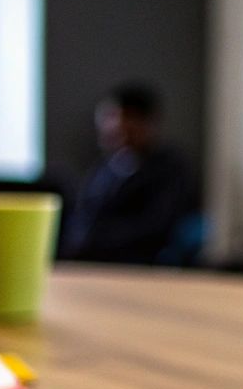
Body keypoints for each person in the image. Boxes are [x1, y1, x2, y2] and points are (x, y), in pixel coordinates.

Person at [62, 82, 192, 264]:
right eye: (108, 119)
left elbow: (156, 227)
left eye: (124, 122)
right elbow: (84, 212)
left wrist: (99, 239)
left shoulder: (169, 169)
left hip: (137, 262)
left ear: (147, 124)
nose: (113, 128)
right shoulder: (105, 167)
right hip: (90, 259)